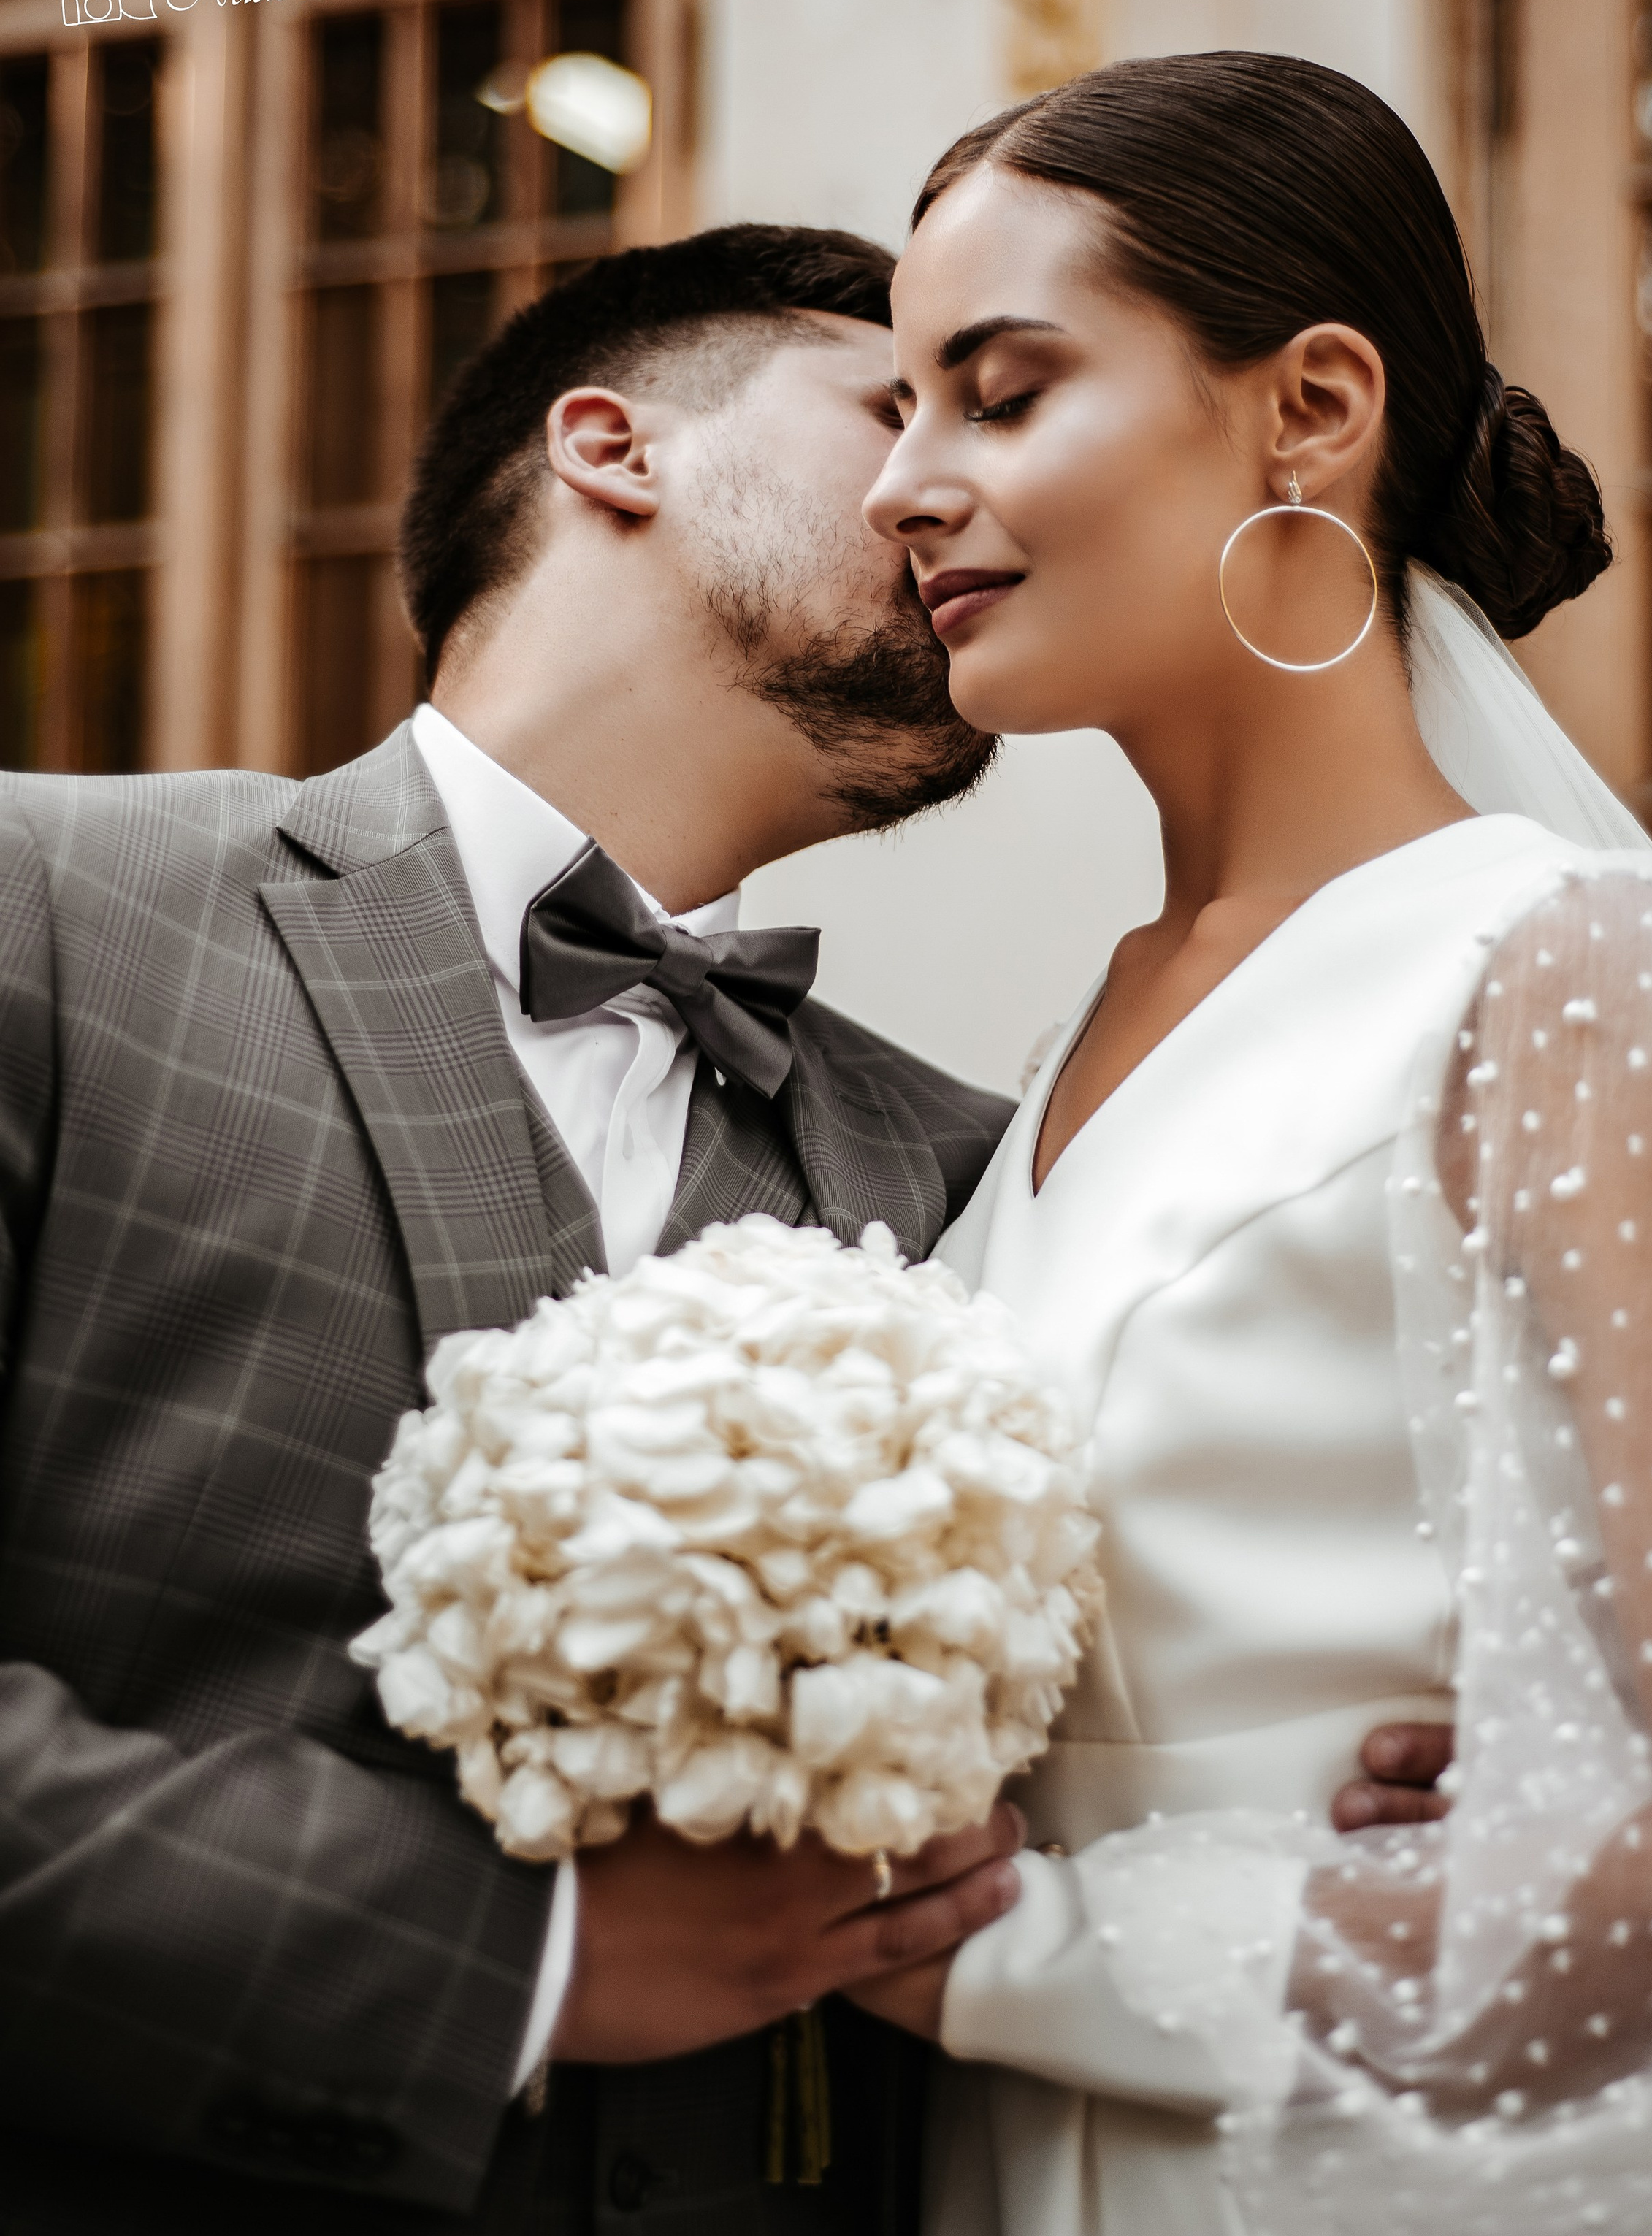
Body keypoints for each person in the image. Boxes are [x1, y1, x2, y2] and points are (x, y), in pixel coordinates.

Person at [843, 55, 1652, 2236]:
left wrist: (996, 1955)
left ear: (1311, 406)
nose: (902, 489)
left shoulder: (1576, 964)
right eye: (898, 411)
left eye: (999, 394)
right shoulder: (1074, 1042)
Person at [0, 225, 1029, 2236]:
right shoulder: (42, 910)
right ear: (610, 443)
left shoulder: (971, 1162)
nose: (952, 489)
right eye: (898, 408)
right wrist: (510, 1961)